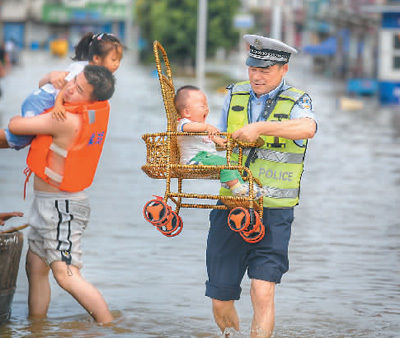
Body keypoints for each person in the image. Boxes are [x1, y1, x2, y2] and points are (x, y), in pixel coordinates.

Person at [205, 34, 317, 337]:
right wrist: (204, 140)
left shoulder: (298, 101)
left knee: (262, 291)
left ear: (283, 69)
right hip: (230, 207)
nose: (256, 75)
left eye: (265, 70)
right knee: (220, 299)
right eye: (252, 68)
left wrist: (261, 127)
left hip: (274, 211)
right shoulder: (235, 94)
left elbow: (308, 128)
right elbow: (221, 143)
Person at [7, 65, 116, 324]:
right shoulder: (79, 111)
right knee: (35, 267)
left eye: (78, 90)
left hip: (61, 209)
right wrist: (61, 94)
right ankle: (38, 327)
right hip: (49, 205)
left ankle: (109, 326)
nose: (69, 88)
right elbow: (61, 87)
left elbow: (16, 125)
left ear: (92, 101)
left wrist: (52, 99)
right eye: (72, 81)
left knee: (65, 274)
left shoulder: (66, 119)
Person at [0, 32, 122, 150]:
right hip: (42, 100)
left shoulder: (89, 75)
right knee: (19, 139)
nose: (117, 64)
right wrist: (58, 105)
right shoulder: (83, 72)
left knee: (16, 137)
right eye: (113, 60)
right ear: (96, 58)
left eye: (118, 60)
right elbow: (65, 88)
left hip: (44, 96)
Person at [175, 85, 265, 198]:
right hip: (194, 160)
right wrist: (207, 127)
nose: (207, 109)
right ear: (187, 112)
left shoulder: (201, 127)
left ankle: (240, 187)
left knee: (231, 164)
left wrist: (219, 140)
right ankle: (237, 188)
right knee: (225, 164)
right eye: (202, 106)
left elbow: (208, 137)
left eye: (207, 106)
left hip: (206, 157)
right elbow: (188, 128)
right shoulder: (184, 123)